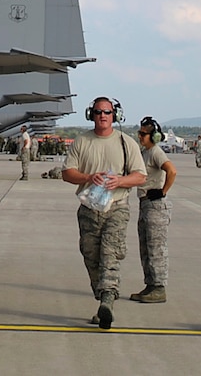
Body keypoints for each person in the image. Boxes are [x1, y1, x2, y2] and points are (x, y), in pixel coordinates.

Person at [60, 97, 146, 329]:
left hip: (117, 207)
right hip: (89, 208)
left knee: (110, 253)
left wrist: (120, 180)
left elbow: (140, 176)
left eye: (107, 112)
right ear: (92, 114)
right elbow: (67, 173)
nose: (102, 116)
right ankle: (102, 299)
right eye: (98, 112)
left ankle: (108, 299)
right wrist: (88, 177)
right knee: (91, 255)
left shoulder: (126, 143)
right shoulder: (82, 142)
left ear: (115, 114)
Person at [130, 117, 178, 303]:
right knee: (146, 248)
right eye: (139, 133)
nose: (140, 136)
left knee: (156, 249)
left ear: (154, 136)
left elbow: (171, 171)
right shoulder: (145, 153)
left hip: (155, 205)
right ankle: (150, 285)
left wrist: (163, 191)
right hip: (145, 204)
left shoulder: (156, 152)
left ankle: (159, 288)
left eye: (143, 134)